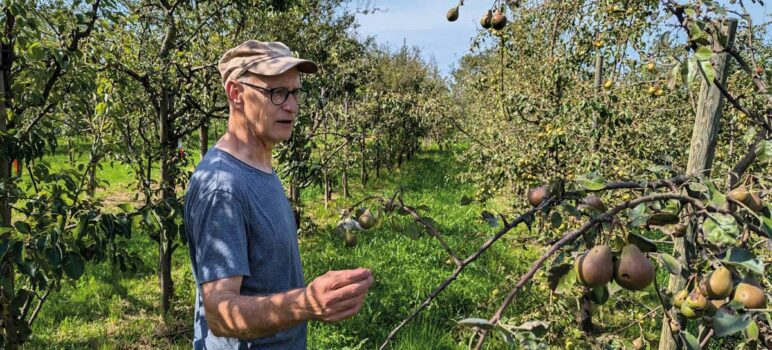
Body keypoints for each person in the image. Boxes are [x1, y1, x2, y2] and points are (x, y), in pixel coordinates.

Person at [183, 40, 374, 349]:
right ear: (236, 93)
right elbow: (219, 314)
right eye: (276, 93)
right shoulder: (223, 187)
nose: (292, 106)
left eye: (295, 92)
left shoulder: (260, 166)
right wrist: (307, 303)